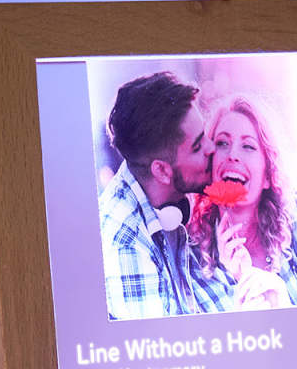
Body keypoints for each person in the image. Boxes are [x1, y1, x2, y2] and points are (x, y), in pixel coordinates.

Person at [99, 72, 234, 320]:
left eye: (204, 134)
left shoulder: (180, 192)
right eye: (197, 147)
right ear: (161, 170)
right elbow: (167, 342)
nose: (211, 147)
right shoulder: (125, 245)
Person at [188, 95, 297, 309]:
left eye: (248, 146)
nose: (232, 155)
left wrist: (283, 305)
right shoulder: (191, 258)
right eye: (222, 143)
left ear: (268, 174)